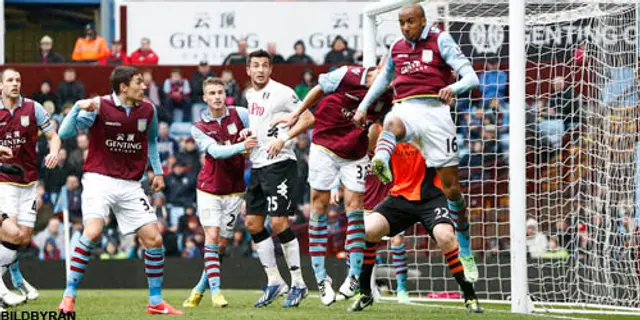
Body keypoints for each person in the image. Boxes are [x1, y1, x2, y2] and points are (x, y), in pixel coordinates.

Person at [353, 4, 480, 282]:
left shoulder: (440, 40)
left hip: (436, 112)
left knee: (451, 189)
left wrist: (453, 88)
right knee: (391, 123)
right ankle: (381, 160)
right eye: (401, 22)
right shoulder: (397, 47)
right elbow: (383, 81)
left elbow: (471, 77)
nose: (406, 27)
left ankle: (466, 249)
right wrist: (363, 106)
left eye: (410, 21)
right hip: (406, 107)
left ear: (423, 20)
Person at [56, 66, 183, 315]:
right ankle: (68, 296)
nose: (144, 86)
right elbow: (65, 132)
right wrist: (78, 108)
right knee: (93, 231)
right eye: (139, 82)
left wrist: (157, 171)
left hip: (130, 184)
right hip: (98, 179)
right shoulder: (99, 107)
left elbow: (152, 141)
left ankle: (155, 301)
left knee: (154, 239)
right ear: (123, 86)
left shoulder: (148, 110)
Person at [275, 65, 391, 304]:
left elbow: (380, 125)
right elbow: (319, 88)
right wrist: (297, 113)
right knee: (319, 205)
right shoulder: (348, 74)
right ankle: (321, 278)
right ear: (379, 67)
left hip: (355, 153)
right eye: (387, 74)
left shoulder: (388, 95)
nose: (388, 81)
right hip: (324, 145)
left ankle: (353, 276)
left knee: (355, 206)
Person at [348, 123, 483, 313]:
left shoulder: (428, 124)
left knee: (446, 237)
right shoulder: (387, 129)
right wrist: (369, 116)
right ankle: (364, 293)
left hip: (432, 196)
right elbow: (370, 141)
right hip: (400, 196)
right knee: (369, 230)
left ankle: (470, 297)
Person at [243, 50, 314, 308]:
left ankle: (299, 283)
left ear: (271, 69)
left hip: (281, 163)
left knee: (279, 222)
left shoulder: (283, 92)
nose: (260, 70)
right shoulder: (249, 95)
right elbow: (259, 124)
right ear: (248, 70)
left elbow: (308, 118)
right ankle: (275, 281)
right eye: (255, 66)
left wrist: (284, 138)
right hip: (258, 165)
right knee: (252, 223)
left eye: (265, 66)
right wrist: (247, 134)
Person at [182, 77, 257, 308]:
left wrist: (249, 134)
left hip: (234, 191)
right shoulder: (198, 128)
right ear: (204, 98)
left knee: (221, 246)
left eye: (220, 92)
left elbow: (257, 130)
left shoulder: (241, 114)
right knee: (212, 237)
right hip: (209, 189)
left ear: (226, 94)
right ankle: (216, 293)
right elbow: (216, 152)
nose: (217, 97)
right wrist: (242, 146)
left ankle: (198, 289)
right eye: (212, 93)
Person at [0, 69, 61, 306]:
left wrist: (54, 151)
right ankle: (5, 287)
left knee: (23, 238)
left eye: (17, 80)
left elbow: (53, 135)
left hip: (28, 182)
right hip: (4, 181)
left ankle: (15, 278)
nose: (15, 84)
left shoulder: (34, 108)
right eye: (9, 80)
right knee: (11, 233)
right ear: (1, 86)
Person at [362, 123, 409, 304]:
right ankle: (365, 287)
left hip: (388, 204)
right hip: (365, 207)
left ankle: (402, 289)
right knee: (361, 245)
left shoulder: (387, 154)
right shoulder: (359, 156)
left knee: (398, 241)